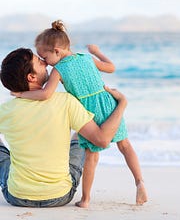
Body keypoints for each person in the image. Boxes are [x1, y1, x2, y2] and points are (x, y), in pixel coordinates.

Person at [12, 20, 148, 208]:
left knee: (91, 156)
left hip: (88, 112)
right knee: (125, 145)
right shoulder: (86, 58)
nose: (44, 62)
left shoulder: (58, 70)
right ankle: (139, 181)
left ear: (57, 51)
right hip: (108, 102)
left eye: (44, 57)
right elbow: (111, 67)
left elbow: (45, 94)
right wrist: (96, 52)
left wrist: (21, 94)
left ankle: (85, 199)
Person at [0, 47, 127, 207]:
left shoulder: (6, 111)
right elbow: (102, 140)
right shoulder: (65, 101)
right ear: (31, 77)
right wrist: (122, 104)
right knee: (80, 136)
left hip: (17, 196)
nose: (46, 63)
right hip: (60, 195)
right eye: (39, 62)